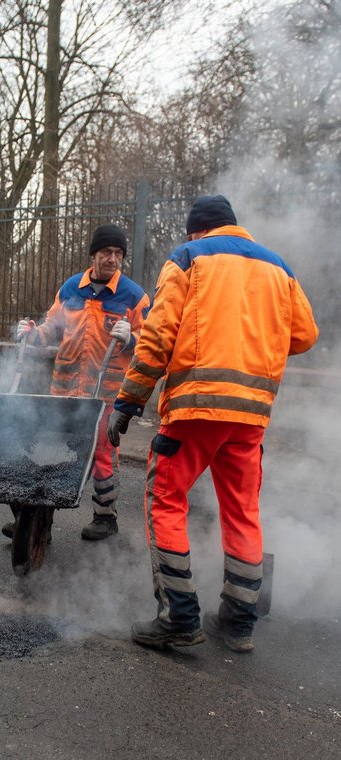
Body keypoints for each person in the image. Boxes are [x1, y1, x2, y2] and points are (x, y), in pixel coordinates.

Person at [108, 195, 319, 654]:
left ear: (195, 231)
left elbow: (158, 337)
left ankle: (179, 617)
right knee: (241, 510)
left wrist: (129, 400)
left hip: (195, 408)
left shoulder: (188, 258)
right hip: (250, 416)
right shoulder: (278, 267)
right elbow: (304, 334)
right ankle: (239, 622)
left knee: (165, 499)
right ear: (232, 226)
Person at [10, 224, 150, 541]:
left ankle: (105, 517)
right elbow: (52, 329)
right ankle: (36, 518)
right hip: (64, 390)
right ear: (93, 255)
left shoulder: (134, 296)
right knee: (51, 449)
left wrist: (132, 340)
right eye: (106, 253)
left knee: (103, 454)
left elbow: (154, 343)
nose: (112, 259)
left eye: (118, 254)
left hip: (106, 397)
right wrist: (32, 334)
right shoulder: (71, 289)